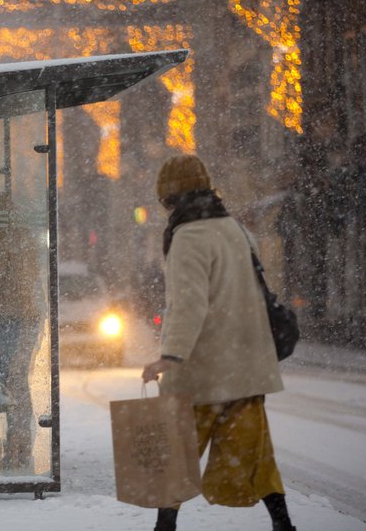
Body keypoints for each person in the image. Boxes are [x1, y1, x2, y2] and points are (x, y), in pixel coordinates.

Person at [142, 155, 295, 531]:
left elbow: (188, 305)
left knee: (178, 455)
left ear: (169, 195)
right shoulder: (236, 230)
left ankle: (165, 527)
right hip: (245, 367)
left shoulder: (188, 237)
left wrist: (169, 357)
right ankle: (283, 524)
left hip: (203, 371)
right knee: (257, 454)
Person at [0, 191, 44, 473]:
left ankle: (18, 447)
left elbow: (6, 283)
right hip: (16, 318)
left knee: (13, 382)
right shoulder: (20, 241)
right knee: (14, 382)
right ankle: (17, 445)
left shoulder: (10, 242)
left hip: (12, 318)